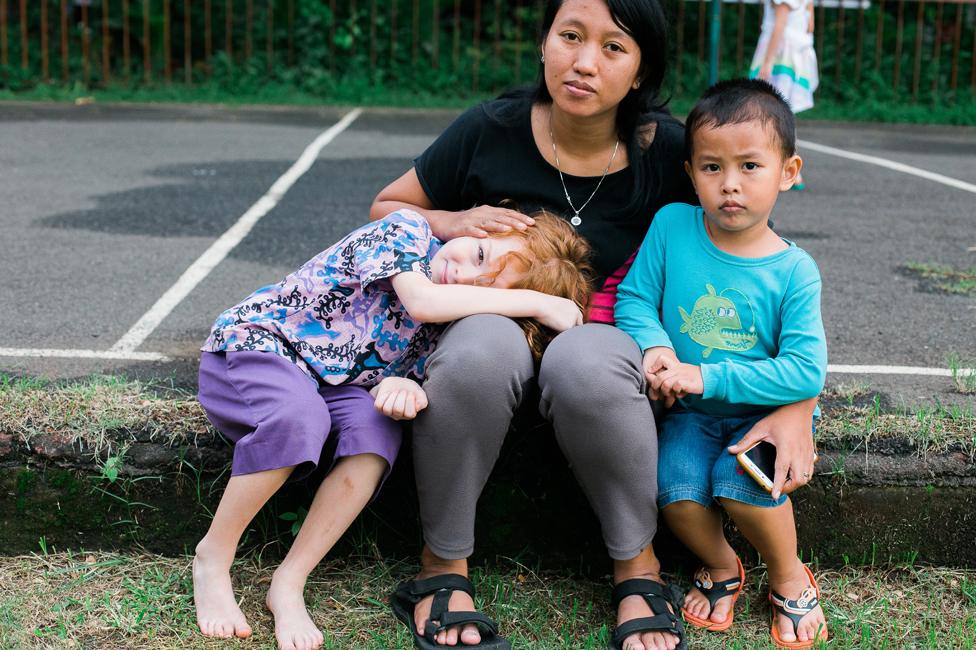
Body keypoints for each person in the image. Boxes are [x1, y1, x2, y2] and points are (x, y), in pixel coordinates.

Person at [370, 1, 821, 649]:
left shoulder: (670, 151)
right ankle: (443, 569)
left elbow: (761, 258)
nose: (584, 62)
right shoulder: (489, 129)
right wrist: (451, 220)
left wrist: (798, 405)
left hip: (604, 351)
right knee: (483, 345)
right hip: (492, 334)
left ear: (640, 71)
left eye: (614, 47)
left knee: (585, 354)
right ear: (545, 41)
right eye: (570, 37)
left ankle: (637, 570)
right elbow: (388, 208)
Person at [192, 208, 593, 650]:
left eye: (482, 286)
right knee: (299, 417)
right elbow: (419, 301)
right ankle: (213, 556)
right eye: (479, 254)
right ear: (483, 231)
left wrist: (402, 385)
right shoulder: (407, 233)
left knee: (376, 434)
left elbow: (397, 369)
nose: (460, 276)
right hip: (257, 349)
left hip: (330, 387)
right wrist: (536, 302)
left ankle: (289, 581)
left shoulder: (454, 319)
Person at [615, 78, 829, 649]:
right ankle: (723, 566)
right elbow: (634, 299)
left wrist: (706, 374)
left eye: (750, 166)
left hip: (762, 418)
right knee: (677, 493)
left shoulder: (793, 270)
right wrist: (657, 348)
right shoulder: (672, 227)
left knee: (740, 486)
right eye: (711, 167)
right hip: (690, 413)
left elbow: (805, 371)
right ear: (690, 172)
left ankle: (787, 574)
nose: (729, 184)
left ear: (788, 171)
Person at [749, 0, 818, 189]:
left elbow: (779, 26)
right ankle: (789, 170)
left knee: (766, 107)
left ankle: (784, 168)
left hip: (780, 54)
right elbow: (810, 25)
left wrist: (768, 62)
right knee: (783, 111)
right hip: (797, 53)